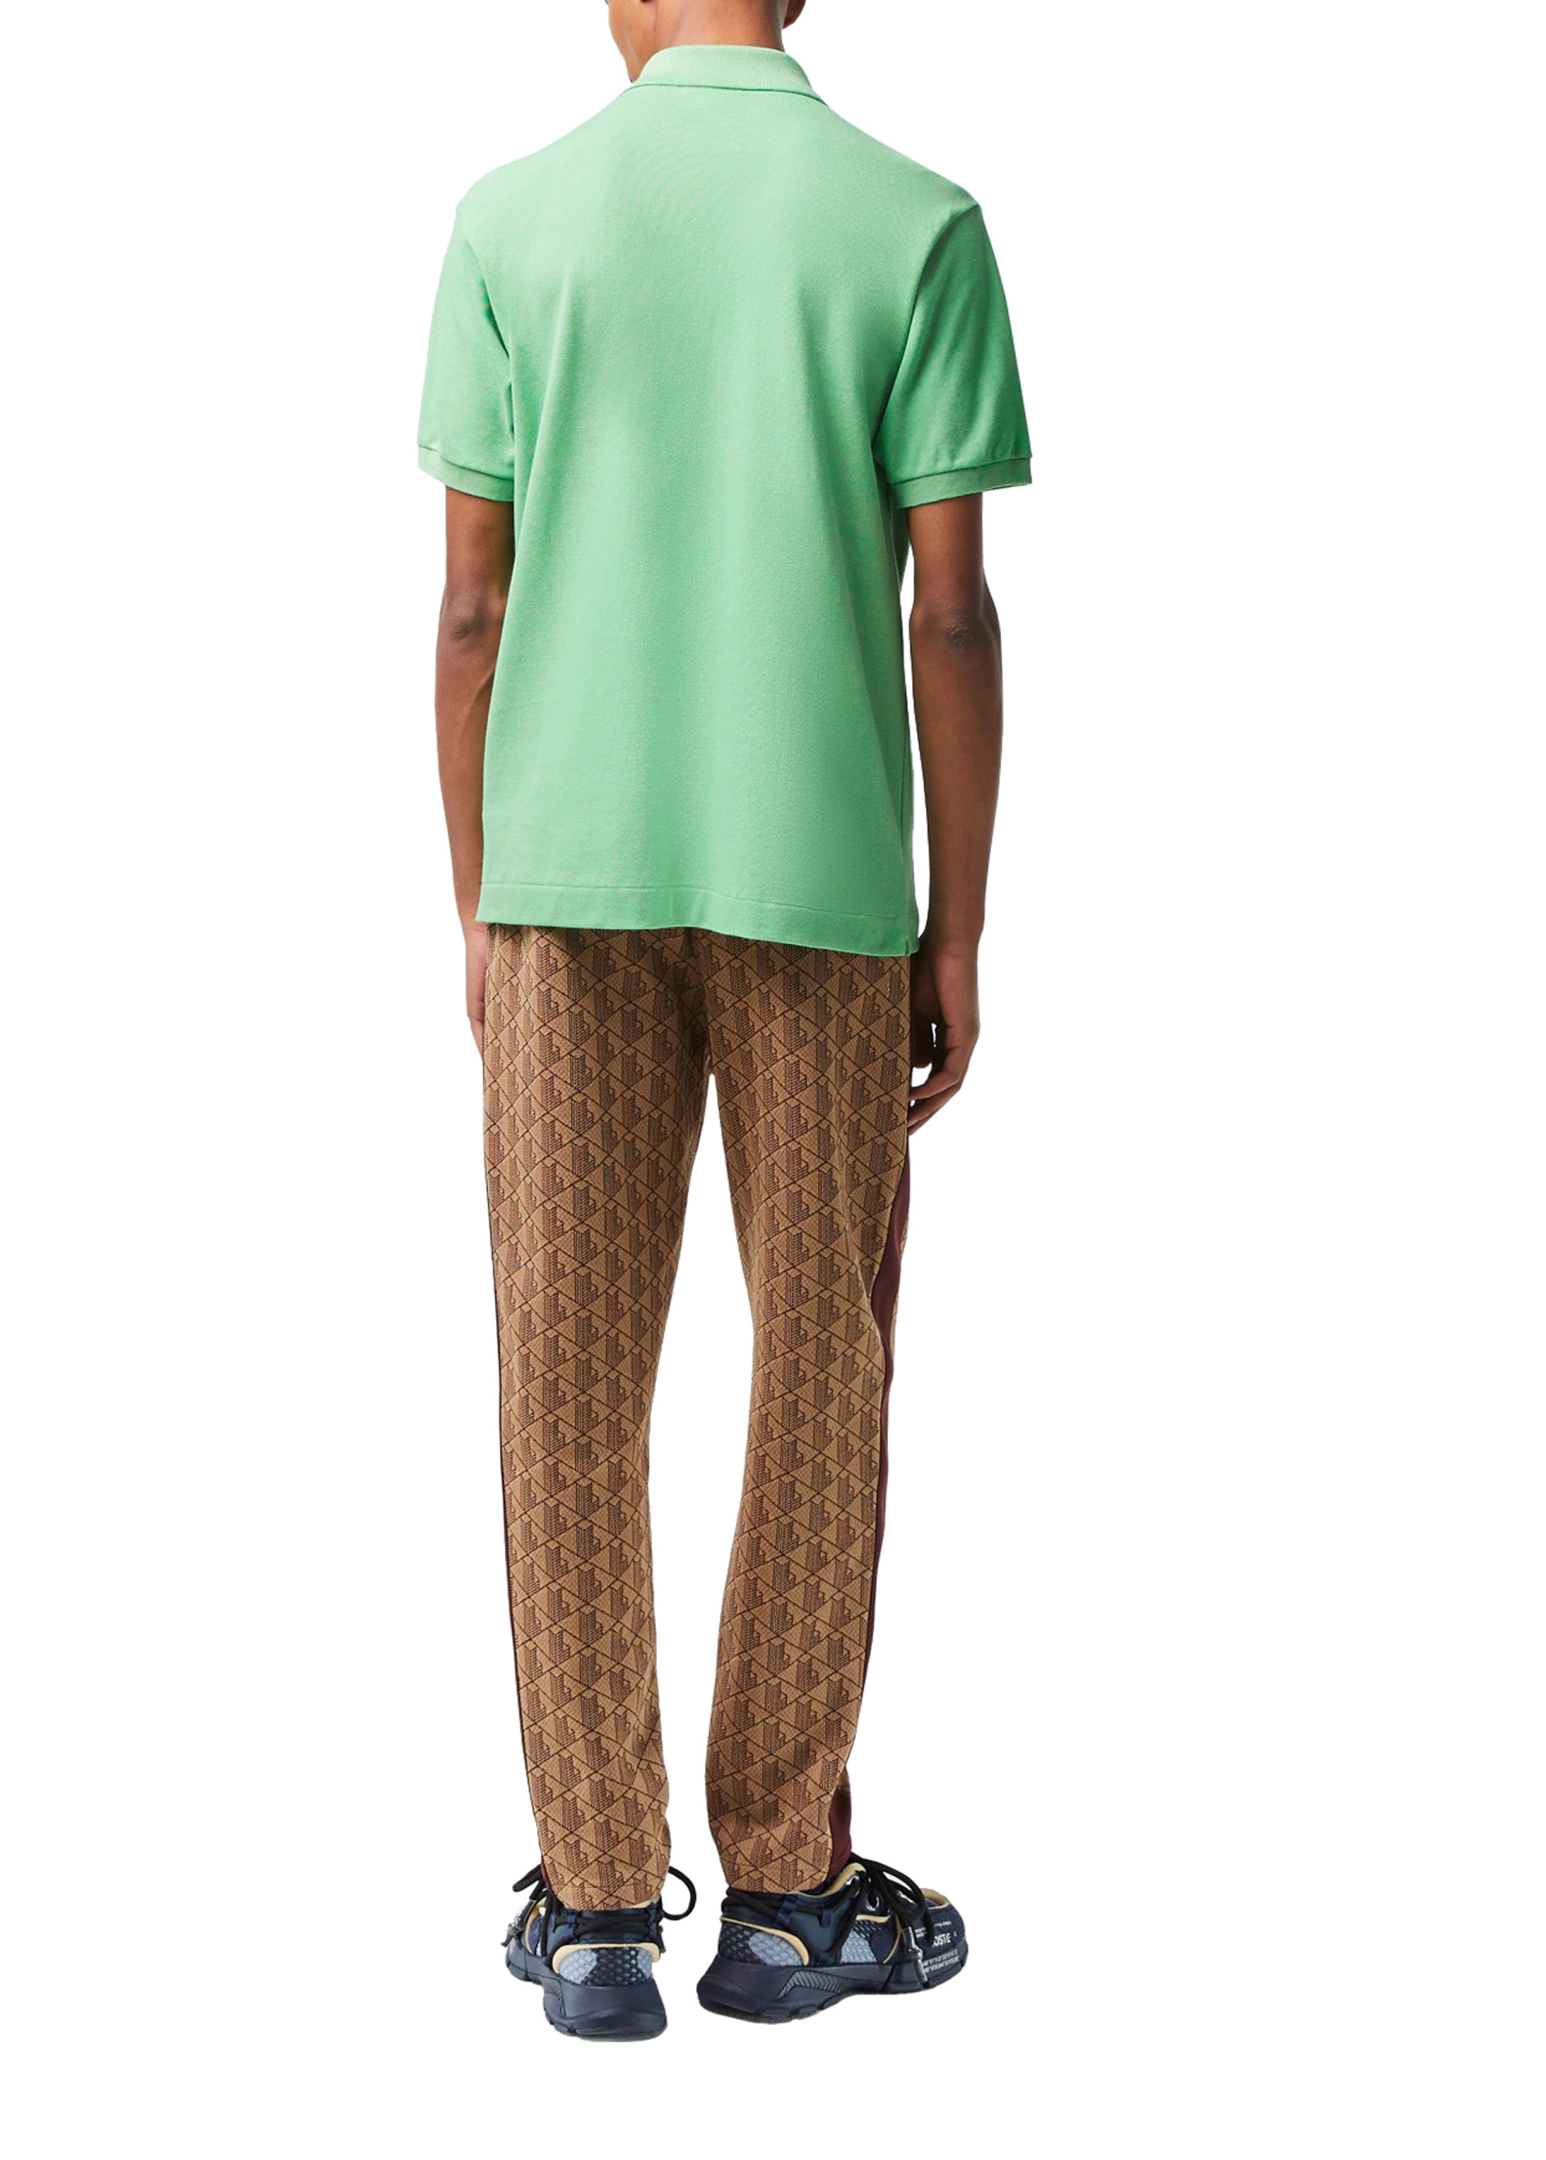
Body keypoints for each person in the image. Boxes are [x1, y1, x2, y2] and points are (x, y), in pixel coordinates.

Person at [418, 0, 1030, 2039]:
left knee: (563, 1373)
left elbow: (474, 610)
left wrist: (479, 901)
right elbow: (949, 610)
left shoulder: (513, 222)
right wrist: (958, 927)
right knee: (822, 1361)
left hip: (565, 875)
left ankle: (597, 1910)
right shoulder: (913, 222)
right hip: (820, 880)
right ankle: (783, 1892)